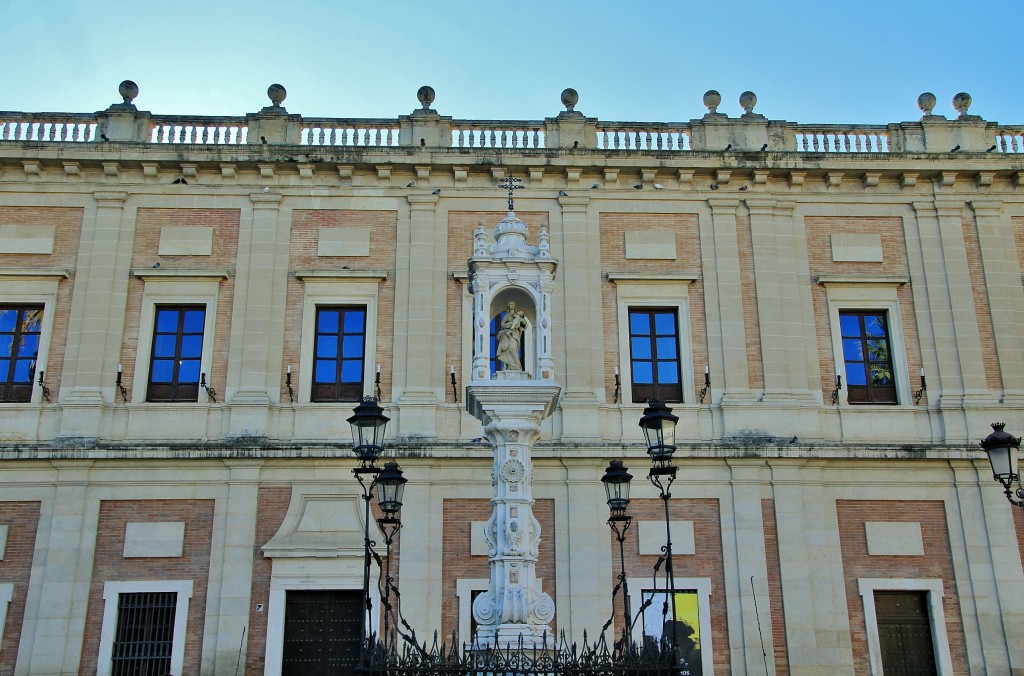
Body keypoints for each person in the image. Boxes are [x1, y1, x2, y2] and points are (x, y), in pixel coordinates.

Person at [495, 302, 526, 371]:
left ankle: (517, 365)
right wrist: (506, 325)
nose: (512, 306)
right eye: (510, 305)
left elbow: (524, 323)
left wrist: (521, 321)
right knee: (508, 349)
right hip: (507, 333)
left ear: (515, 306)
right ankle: (511, 365)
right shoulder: (507, 315)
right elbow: (502, 323)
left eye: (513, 305)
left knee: (512, 348)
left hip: (514, 334)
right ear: (508, 307)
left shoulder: (517, 315)